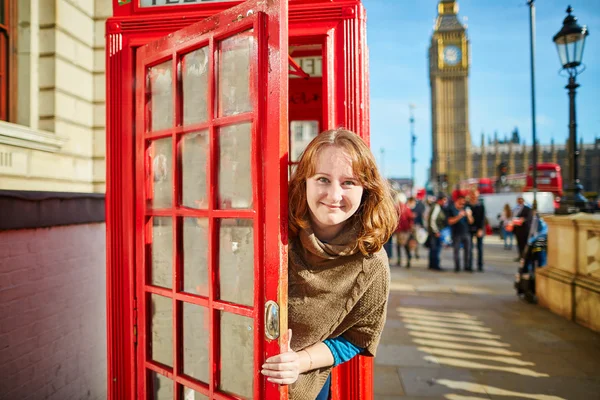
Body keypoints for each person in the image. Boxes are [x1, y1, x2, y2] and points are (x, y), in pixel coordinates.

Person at [260, 129, 398, 399]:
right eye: (323, 179)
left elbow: (359, 336)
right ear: (304, 182)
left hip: (305, 383)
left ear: (366, 190)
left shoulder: (372, 264)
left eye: (348, 183)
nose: (334, 196)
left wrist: (299, 362)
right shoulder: (270, 232)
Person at [447, 195, 474, 272]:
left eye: (464, 203)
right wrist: (459, 216)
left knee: (468, 251)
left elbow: (471, 221)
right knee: (456, 250)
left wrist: (469, 216)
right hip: (456, 233)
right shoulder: (452, 209)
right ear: (458, 201)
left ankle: (467, 266)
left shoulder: (466, 208)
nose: (463, 205)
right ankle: (457, 266)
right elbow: (450, 221)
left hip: (466, 232)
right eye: (461, 203)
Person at [427, 193, 448, 271]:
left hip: (435, 232)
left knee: (434, 249)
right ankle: (435, 265)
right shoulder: (436, 207)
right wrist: (436, 231)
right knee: (435, 249)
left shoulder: (437, 207)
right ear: (440, 200)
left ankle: (433, 265)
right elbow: (432, 220)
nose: (445, 202)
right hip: (435, 233)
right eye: (444, 200)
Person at [467, 190, 486, 272]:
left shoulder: (481, 205)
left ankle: (480, 265)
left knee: (480, 248)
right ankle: (469, 265)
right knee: (469, 248)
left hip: (478, 229)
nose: (474, 196)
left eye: (476, 195)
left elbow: (482, 218)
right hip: (469, 229)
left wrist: (480, 229)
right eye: (473, 195)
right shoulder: (467, 205)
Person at [395, 193, 414, 268]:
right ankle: (408, 260)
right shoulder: (407, 208)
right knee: (406, 246)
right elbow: (411, 219)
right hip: (406, 230)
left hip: (399, 230)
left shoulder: (396, 207)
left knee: (399, 246)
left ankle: (399, 260)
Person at [512, 195, 533, 260]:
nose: (519, 201)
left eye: (521, 199)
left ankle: (525, 257)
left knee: (525, 243)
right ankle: (520, 256)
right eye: (518, 199)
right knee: (519, 243)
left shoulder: (527, 208)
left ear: (523, 200)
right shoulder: (514, 209)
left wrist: (523, 220)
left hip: (524, 229)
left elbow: (529, 218)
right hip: (517, 229)